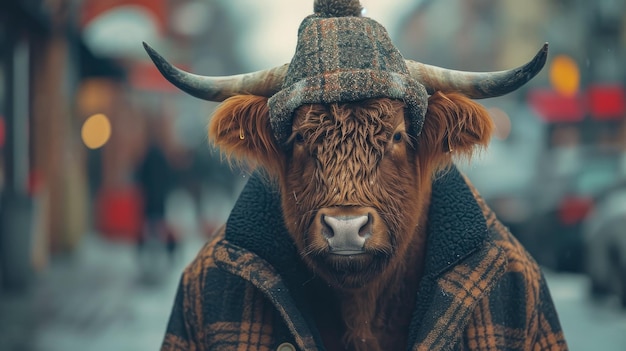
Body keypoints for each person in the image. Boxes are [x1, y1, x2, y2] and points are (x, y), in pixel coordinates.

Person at [146, 0, 568, 349]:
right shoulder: (216, 283)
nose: (346, 202)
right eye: (304, 142)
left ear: (435, 140)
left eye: (393, 140)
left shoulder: (508, 282)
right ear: (271, 149)